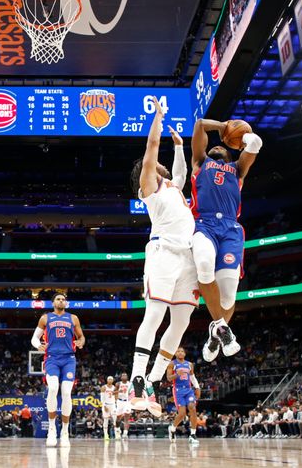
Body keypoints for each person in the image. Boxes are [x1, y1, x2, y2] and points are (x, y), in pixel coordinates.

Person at [129, 97, 199, 400]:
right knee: (155, 314)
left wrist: (181, 147)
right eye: (157, 165)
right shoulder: (150, 188)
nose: (160, 165)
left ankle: (154, 380)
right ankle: (136, 377)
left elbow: (180, 175)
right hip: (163, 254)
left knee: (181, 320)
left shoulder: (172, 188)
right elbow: (151, 151)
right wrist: (157, 116)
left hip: (188, 257)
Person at [189, 119, 262, 361]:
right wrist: (223, 127)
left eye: (223, 147)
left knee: (229, 296)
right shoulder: (200, 162)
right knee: (203, 265)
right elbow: (200, 125)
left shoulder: (238, 169)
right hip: (205, 224)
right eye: (216, 147)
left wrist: (240, 136)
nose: (218, 149)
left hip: (230, 228)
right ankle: (221, 327)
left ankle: (215, 331)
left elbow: (256, 142)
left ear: (231, 153)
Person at [31, 293, 86, 448]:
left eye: (63, 299)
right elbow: (34, 338)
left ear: (66, 303)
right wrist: (38, 346)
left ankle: (65, 432)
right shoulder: (45, 318)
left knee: (67, 392)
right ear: (53, 302)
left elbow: (81, 337)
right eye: (58, 299)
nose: (61, 301)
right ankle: (52, 429)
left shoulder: (73, 318)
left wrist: (80, 342)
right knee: (53, 388)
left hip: (69, 358)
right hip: (52, 358)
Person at [166, 348, 200, 444]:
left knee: (192, 407)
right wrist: (176, 374)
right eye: (178, 351)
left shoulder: (189, 364)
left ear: (185, 353)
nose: (180, 352)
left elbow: (192, 377)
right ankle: (172, 428)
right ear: (175, 353)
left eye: (182, 351)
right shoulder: (172, 364)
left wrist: (197, 387)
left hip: (188, 390)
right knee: (182, 414)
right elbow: (168, 378)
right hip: (178, 390)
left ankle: (193, 434)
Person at [115, 373, 132, 439]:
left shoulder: (130, 384)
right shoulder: (118, 384)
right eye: (123, 375)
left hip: (127, 401)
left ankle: (125, 434)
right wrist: (119, 391)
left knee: (126, 418)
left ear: (127, 377)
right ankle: (117, 430)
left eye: (125, 375)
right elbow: (113, 393)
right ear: (121, 377)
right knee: (118, 418)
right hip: (120, 401)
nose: (124, 376)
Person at [100, 376, 117, 441]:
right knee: (106, 420)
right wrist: (104, 406)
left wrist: (115, 404)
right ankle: (106, 435)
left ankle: (117, 434)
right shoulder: (104, 387)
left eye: (111, 379)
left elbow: (116, 396)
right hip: (106, 405)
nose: (110, 380)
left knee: (115, 420)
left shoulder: (114, 388)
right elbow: (102, 398)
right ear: (107, 380)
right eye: (109, 379)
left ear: (112, 380)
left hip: (113, 405)